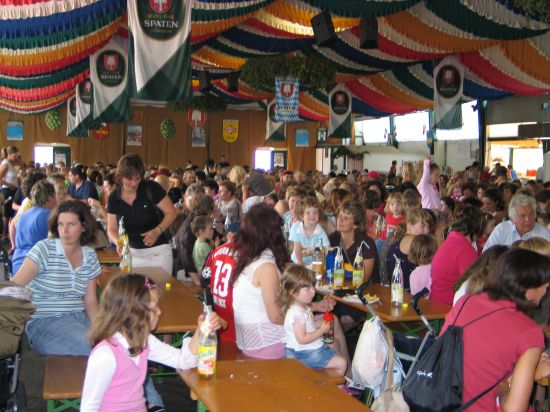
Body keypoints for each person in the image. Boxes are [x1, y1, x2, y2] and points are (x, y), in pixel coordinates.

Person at [81, 273, 222, 411]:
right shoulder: (105, 355)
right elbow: (89, 407)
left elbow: (183, 361)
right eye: (154, 307)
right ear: (134, 312)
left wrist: (201, 330)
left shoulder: (143, 340)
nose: (159, 312)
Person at [232, 204, 345, 362]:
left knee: (330, 322)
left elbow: (280, 307)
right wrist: (311, 308)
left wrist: (315, 307)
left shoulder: (248, 259)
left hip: (251, 340)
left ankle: (344, 375)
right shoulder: (266, 267)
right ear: (272, 233)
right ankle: (342, 375)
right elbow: (277, 316)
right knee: (332, 330)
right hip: (268, 344)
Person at [441, 248, 550, 411]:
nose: (546, 292)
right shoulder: (530, 332)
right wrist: (504, 387)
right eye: (546, 286)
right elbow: (514, 409)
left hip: (440, 402)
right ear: (530, 287)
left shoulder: (465, 302)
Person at [12, 200, 101, 355]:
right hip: (44, 322)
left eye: (71, 224)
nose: (64, 230)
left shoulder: (90, 255)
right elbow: (15, 286)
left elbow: (91, 300)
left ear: (84, 226)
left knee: (114, 343)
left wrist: (102, 327)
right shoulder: (44, 249)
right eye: (60, 224)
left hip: (79, 319)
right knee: (91, 347)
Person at [107, 154, 177, 275]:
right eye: (129, 179)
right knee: (132, 287)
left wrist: (157, 230)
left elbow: (171, 212)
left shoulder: (151, 188)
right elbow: (111, 229)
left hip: (158, 253)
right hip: (131, 254)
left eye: (138, 178)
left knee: (161, 287)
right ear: (120, 177)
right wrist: (118, 241)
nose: (134, 183)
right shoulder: (113, 198)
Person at [278, 265, 347, 376]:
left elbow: (307, 326)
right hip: (304, 354)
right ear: (293, 292)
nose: (313, 292)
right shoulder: (297, 314)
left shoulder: (302, 306)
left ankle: (328, 381)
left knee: (335, 348)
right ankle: (335, 385)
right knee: (342, 363)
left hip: (306, 351)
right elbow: (302, 339)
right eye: (307, 289)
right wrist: (322, 330)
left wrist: (319, 323)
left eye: (313, 286)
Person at [430, 205, 484, 306]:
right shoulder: (465, 250)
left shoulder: (450, 241)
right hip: (448, 306)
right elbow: (475, 285)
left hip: (436, 301)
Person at [12, 180, 56, 274]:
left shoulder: (24, 215)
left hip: (17, 265)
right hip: (36, 268)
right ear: (50, 197)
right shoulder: (47, 215)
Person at [384, 209, 433, 290]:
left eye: (428, 227)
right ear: (409, 226)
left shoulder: (402, 237)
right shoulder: (415, 241)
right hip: (407, 290)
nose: (427, 230)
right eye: (423, 226)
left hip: (396, 287)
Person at [483, 193, 550, 252]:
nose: (528, 219)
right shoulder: (502, 229)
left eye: (531, 214)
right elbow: (487, 255)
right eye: (522, 216)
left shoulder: (545, 235)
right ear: (512, 219)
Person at [289, 197, 330, 266]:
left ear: (319, 215)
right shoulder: (296, 228)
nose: (312, 215)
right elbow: (297, 250)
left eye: (315, 212)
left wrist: (324, 258)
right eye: (308, 213)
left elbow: (327, 248)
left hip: (314, 263)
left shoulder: (320, 231)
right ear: (302, 216)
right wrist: (301, 265)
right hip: (297, 262)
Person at [0, 146, 20, 235]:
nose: (16, 157)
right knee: (7, 213)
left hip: (13, 190)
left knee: (11, 213)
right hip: (7, 190)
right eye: (15, 156)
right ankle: (4, 233)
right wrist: (9, 185)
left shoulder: (10, 163)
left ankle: (9, 232)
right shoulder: (5, 164)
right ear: (9, 154)